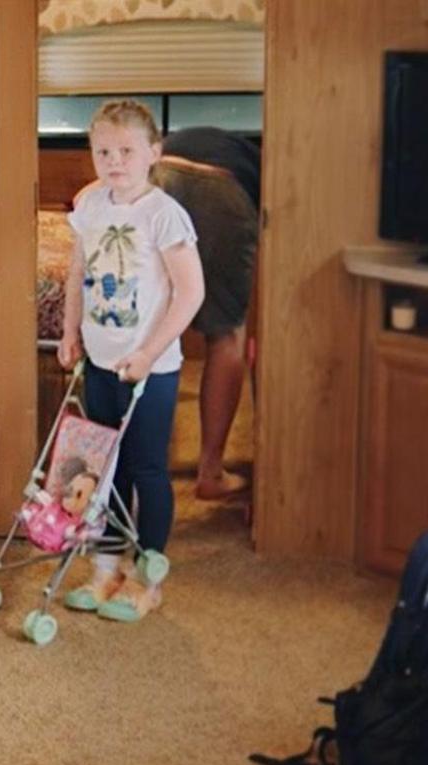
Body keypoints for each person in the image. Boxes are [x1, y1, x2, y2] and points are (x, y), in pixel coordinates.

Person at [57, 101, 205, 622]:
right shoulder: (91, 205)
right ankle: (106, 564)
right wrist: (70, 331)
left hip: (150, 370)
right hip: (99, 362)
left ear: (153, 154)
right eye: (103, 151)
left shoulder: (163, 214)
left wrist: (149, 352)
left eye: (126, 151)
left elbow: (190, 292)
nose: (114, 161)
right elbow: (76, 274)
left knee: (144, 467)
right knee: (104, 470)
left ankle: (148, 575)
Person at [156, 126, 261, 500]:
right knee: (226, 336)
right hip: (220, 190)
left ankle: (136, 471)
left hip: (158, 175)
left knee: (146, 329)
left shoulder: (186, 136)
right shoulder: (261, 159)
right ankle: (211, 472)